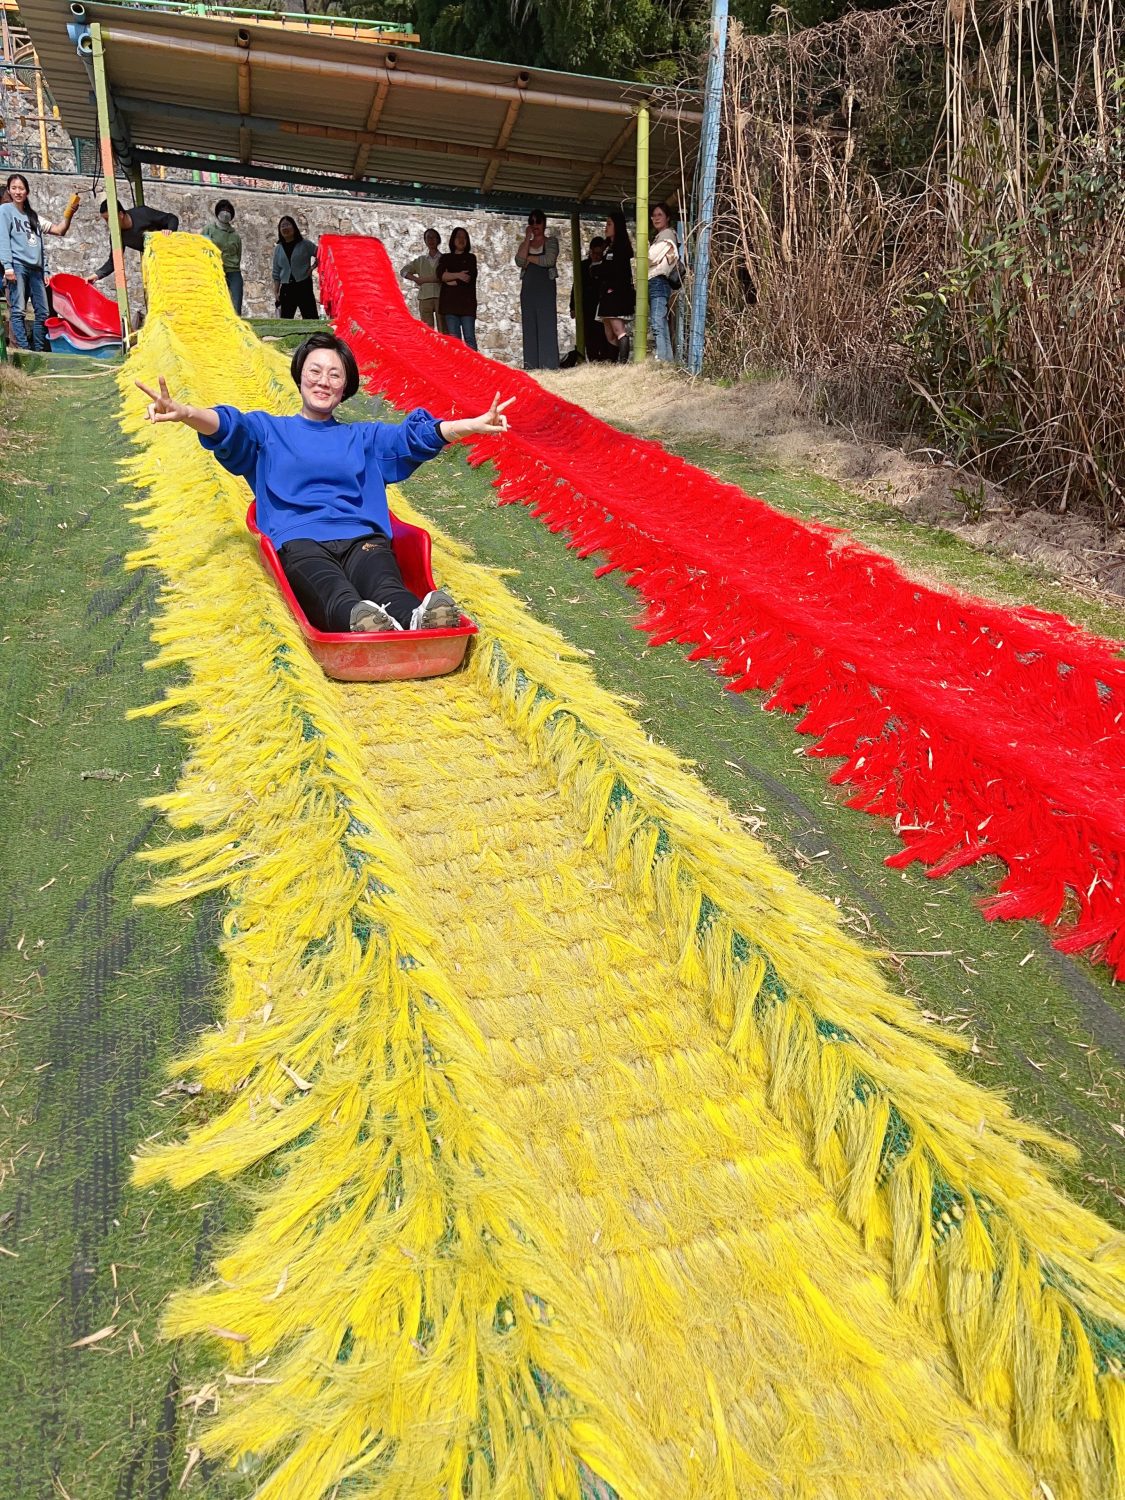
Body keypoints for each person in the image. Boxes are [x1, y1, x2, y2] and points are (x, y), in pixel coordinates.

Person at [136, 332, 514, 635]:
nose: (323, 381)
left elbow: (409, 440)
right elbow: (228, 426)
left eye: (335, 374)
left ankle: (416, 617)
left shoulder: (363, 437)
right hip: (300, 540)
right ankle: (359, 619)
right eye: (315, 371)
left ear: (346, 385)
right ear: (300, 374)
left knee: (386, 587)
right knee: (332, 588)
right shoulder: (269, 431)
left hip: (362, 539)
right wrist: (186, 413)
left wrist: (467, 425)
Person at [0, 174, 79, 351]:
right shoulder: (5, 210)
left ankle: (38, 349)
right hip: (17, 266)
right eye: (14, 188)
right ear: (9, 190)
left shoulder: (33, 216)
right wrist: (7, 266)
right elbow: (3, 239)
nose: (18, 192)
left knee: (43, 312)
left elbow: (58, 231)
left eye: (21, 188)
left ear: (27, 191)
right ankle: (24, 349)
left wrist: (70, 213)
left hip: (36, 270)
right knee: (18, 310)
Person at [87, 198, 178, 282]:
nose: (108, 223)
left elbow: (172, 218)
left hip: (173, 254)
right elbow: (114, 261)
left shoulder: (143, 213)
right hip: (158, 264)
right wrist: (96, 275)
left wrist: (170, 230)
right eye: (106, 220)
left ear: (121, 215)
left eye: (109, 219)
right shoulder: (117, 236)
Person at [514, 208, 559, 371]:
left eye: (538, 221)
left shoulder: (551, 242)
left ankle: (549, 365)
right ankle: (531, 365)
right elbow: (519, 261)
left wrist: (529, 258)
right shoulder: (525, 244)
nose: (535, 225)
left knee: (547, 324)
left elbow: (549, 260)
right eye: (531, 222)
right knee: (529, 325)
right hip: (528, 289)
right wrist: (527, 238)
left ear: (544, 223)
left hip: (545, 288)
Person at [591, 210, 635, 364]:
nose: (606, 227)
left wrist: (598, 269)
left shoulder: (621, 248)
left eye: (609, 224)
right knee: (609, 333)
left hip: (616, 294)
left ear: (618, 226)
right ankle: (613, 360)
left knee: (619, 330)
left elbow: (614, 270)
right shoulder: (608, 247)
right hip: (606, 294)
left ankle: (622, 363)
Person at [570, 236, 613, 363]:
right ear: (590, 251)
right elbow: (575, 286)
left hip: (601, 305)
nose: (596, 256)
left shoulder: (606, 266)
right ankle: (592, 358)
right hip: (586, 306)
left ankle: (604, 358)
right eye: (594, 253)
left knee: (603, 334)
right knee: (589, 335)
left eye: (599, 253)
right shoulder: (583, 266)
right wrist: (573, 306)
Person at [647, 202, 680, 363]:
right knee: (661, 321)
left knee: (657, 321)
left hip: (658, 280)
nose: (656, 218)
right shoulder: (662, 235)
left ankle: (661, 357)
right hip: (658, 281)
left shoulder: (667, 235)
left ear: (667, 217)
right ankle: (668, 359)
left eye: (660, 214)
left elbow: (650, 258)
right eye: (654, 215)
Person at [436, 227, 477, 348]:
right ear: (453, 239)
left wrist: (450, 278)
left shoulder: (470, 258)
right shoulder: (445, 258)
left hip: (467, 305)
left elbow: (469, 277)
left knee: (470, 338)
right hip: (450, 305)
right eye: (458, 236)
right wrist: (458, 275)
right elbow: (440, 275)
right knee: (454, 341)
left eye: (464, 237)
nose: (461, 239)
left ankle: (474, 366)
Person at [272, 216, 318, 320]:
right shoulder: (278, 249)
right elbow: (276, 272)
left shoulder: (305, 244)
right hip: (286, 289)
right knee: (286, 320)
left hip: (304, 285)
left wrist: (312, 267)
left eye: (288, 225)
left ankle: (316, 336)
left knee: (311, 318)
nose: (285, 228)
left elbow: (321, 254)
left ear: (294, 227)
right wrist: (276, 292)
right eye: (282, 226)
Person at [203, 198, 244, 316]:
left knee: (236, 306)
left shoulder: (235, 235)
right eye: (223, 209)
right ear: (217, 212)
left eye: (228, 210)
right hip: (215, 271)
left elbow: (238, 254)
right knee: (215, 306)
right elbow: (203, 248)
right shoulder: (209, 229)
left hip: (233, 271)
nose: (225, 213)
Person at [399, 228, 443, 329]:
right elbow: (403, 271)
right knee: (427, 328)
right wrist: (415, 279)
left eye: (433, 237)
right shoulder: (420, 260)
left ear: (438, 240)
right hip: (424, 297)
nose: (431, 240)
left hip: (441, 296)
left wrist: (423, 280)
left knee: (443, 327)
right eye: (428, 238)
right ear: (425, 241)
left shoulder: (444, 259)